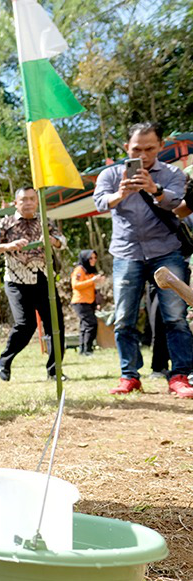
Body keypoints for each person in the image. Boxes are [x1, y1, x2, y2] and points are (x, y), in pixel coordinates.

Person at [92, 122, 193, 397]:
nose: (144, 154)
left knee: (175, 317)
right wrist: (120, 194)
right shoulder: (111, 174)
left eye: (150, 148)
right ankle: (129, 376)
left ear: (161, 146)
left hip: (166, 250)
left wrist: (155, 190)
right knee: (124, 318)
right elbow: (99, 202)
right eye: (137, 148)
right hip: (126, 253)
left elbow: (178, 205)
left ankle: (181, 375)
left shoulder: (173, 173)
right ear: (127, 148)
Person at [0, 186, 68, 382]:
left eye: (32, 199)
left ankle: (55, 371)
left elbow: (62, 241)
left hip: (44, 278)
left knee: (55, 326)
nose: (29, 203)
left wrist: (53, 241)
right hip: (17, 280)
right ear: (15, 203)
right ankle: (4, 362)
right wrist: (6, 246)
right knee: (26, 325)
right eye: (24, 199)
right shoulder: (5, 223)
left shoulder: (45, 222)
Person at [70, 250, 102, 356]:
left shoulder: (90, 270)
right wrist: (92, 280)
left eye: (95, 258)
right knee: (91, 324)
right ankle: (88, 349)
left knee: (84, 326)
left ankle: (83, 350)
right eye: (91, 258)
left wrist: (97, 302)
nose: (93, 260)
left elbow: (92, 289)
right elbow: (76, 285)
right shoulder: (79, 270)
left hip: (89, 302)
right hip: (80, 302)